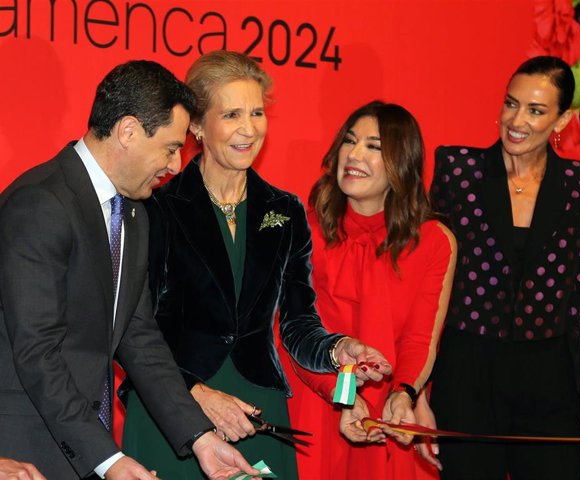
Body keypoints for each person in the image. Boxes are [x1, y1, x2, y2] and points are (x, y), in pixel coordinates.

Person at [121, 51, 391, 479]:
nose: (249, 129)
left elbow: (298, 325)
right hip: (173, 408)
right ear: (196, 125)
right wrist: (194, 393)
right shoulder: (155, 207)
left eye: (257, 112)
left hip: (256, 409)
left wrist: (339, 349)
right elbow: (132, 328)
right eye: (231, 114)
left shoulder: (284, 210)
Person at [0, 60, 260, 480]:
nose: (175, 166)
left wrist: (200, 436)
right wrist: (110, 460)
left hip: (82, 447)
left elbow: (139, 338)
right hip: (26, 451)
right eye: (171, 147)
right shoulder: (41, 205)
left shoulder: (134, 213)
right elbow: (38, 353)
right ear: (128, 132)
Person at [427, 55, 580, 480]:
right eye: (511, 103)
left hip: (548, 381)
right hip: (467, 376)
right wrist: (415, 389)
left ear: (562, 121)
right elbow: (430, 286)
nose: (516, 120)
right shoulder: (459, 170)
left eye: (536, 110)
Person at [280, 101, 456, 479]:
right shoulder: (302, 228)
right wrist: (341, 394)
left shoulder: (433, 242)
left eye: (373, 147)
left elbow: (419, 339)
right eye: (349, 141)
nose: (354, 154)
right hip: (313, 401)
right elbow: (288, 334)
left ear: (402, 164)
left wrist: (404, 394)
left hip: (382, 412)